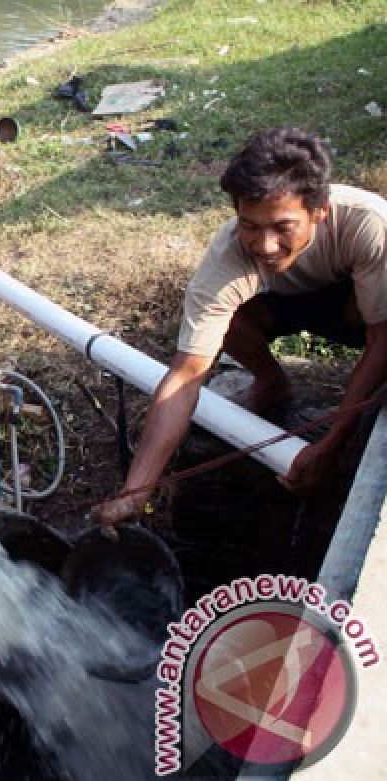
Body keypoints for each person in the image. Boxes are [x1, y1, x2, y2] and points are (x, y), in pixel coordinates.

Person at [97, 127, 387, 526]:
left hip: (359, 310)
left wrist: (332, 444)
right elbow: (186, 375)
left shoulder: (367, 224)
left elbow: (381, 339)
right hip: (280, 307)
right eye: (251, 226)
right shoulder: (227, 256)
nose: (266, 245)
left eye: (283, 227)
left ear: (319, 212)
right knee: (221, 320)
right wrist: (137, 491)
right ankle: (272, 383)